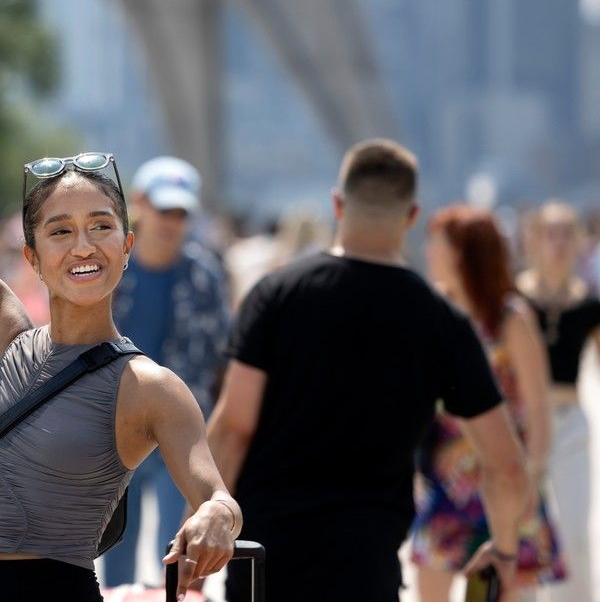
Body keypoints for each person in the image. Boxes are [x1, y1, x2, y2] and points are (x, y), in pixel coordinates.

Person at [0, 0, 242, 602]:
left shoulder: (149, 387)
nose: (83, 246)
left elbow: (216, 493)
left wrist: (215, 517)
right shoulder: (0, 331)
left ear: (127, 247)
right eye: (60, 231)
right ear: (32, 257)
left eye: (102, 227)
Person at [206, 140, 530, 602]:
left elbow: (233, 428)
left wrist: (195, 541)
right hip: (367, 564)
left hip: (267, 559)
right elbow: (506, 467)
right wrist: (503, 550)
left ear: (337, 204)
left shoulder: (277, 295)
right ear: (412, 216)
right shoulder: (442, 321)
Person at [412, 204, 564, 599]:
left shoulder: (510, 318)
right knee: (429, 591)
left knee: (493, 595)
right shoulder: (433, 313)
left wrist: (531, 479)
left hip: (506, 482)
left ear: (464, 252)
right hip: (447, 485)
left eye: (437, 243)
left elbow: (538, 408)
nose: (428, 250)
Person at [104, 156, 230, 587]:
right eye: (164, 209)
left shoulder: (205, 277)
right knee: (115, 545)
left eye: (181, 213)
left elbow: (220, 358)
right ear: (138, 204)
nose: (172, 222)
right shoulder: (109, 271)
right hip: (116, 427)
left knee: (178, 550)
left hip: (182, 431)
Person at [516, 201, 600, 602]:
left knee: (574, 536)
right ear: (533, 240)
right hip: (523, 427)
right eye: (551, 234)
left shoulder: (589, 303)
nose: (559, 244)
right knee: (521, 531)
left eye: (567, 233)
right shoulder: (515, 300)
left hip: (570, 424)